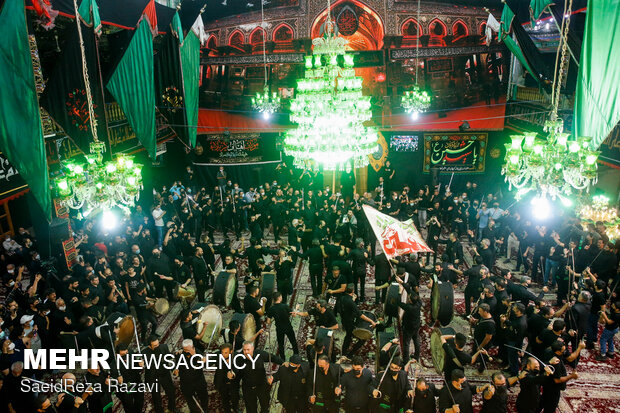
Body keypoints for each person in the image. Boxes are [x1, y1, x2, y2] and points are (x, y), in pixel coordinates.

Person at [237, 341, 282, 412]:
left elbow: (272, 357)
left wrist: (283, 363)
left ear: (253, 348)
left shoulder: (259, 354)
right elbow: (234, 370)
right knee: (251, 409)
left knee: (265, 405)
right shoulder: (239, 358)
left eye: (248, 350)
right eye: (244, 350)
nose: (246, 352)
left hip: (262, 385)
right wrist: (232, 375)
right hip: (248, 387)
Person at [143, 335, 179, 413]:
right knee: (156, 397)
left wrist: (174, 369)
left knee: (171, 391)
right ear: (149, 346)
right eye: (155, 345)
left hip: (164, 373)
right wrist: (140, 364)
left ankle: (172, 408)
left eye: (158, 344)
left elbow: (169, 358)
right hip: (153, 376)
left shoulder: (164, 347)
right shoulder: (144, 353)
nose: (157, 346)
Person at [341, 285, 377, 357]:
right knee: (362, 339)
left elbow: (347, 305)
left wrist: (352, 299)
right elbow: (360, 315)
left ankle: (344, 352)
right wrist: (371, 321)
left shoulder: (342, 298)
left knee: (348, 336)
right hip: (350, 322)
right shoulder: (351, 303)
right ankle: (350, 354)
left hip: (344, 320)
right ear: (353, 291)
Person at [176, 339, 209, 413]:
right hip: (186, 383)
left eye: (187, 350)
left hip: (198, 381)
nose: (186, 351)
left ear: (192, 347)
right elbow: (176, 366)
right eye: (184, 349)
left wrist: (195, 355)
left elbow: (205, 365)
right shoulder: (179, 354)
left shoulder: (199, 353)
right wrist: (175, 371)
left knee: (203, 397)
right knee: (190, 400)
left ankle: (205, 409)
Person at [267, 291, 299, 356]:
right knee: (293, 342)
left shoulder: (271, 309)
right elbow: (294, 315)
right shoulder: (284, 306)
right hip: (288, 327)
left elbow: (268, 322)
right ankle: (296, 355)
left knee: (281, 344)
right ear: (279, 298)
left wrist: (274, 318)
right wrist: (296, 308)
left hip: (279, 328)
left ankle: (282, 359)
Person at [213, 343, 240, 413]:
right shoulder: (217, 355)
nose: (223, 355)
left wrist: (233, 374)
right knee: (224, 399)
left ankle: (235, 407)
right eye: (222, 352)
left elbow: (237, 368)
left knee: (235, 397)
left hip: (233, 383)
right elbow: (208, 362)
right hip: (222, 382)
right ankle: (227, 410)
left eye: (226, 353)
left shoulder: (236, 356)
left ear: (231, 351)